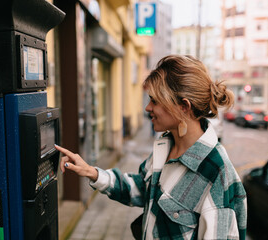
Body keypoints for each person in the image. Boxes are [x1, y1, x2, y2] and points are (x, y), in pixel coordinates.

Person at [55, 55, 247, 240]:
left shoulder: (217, 173)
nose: (147, 108)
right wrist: (91, 172)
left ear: (183, 106)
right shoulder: (166, 145)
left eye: (154, 100)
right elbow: (141, 187)